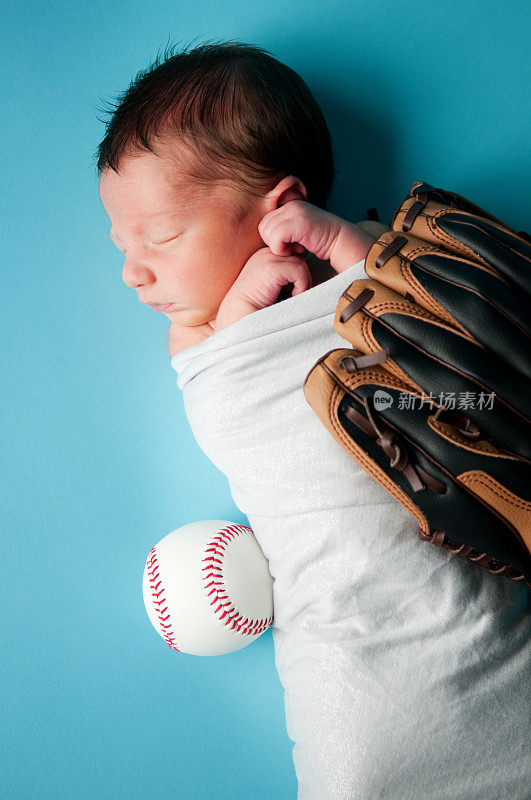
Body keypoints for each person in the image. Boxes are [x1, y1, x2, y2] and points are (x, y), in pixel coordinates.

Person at [96, 39, 385, 354]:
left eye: (164, 238)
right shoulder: (195, 335)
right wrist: (238, 313)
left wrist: (339, 241)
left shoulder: (354, 246)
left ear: (285, 209)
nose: (130, 275)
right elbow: (226, 397)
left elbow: (397, 303)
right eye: (122, 247)